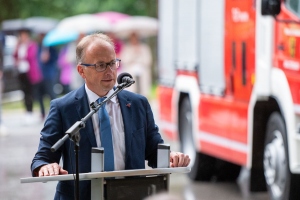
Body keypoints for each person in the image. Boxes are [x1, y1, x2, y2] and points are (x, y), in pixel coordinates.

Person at [31, 32, 190, 200]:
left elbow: (153, 149)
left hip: (130, 194)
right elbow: (43, 157)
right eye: (100, 65)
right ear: (81, 70)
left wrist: (171, 157)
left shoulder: (138, 104)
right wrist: (45, 166)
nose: (109, 71)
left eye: (112, 63)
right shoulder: (64, 108)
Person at [13, 29, 45, 122]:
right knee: (24, 92)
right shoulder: (19, 45)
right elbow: (14, 55)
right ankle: (27, 112)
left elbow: (30, 56)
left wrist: (21, 58)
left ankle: (34, 112)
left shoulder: (31, 44)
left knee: (31, 93)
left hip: (30, 72)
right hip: (21, 71)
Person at [120, 32, 153, 97]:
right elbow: (124, 60)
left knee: (143, 87)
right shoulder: (127, 48)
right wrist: (133, 55)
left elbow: (148, 60)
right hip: (131, 71)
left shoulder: (144, 47)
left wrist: (139, 54)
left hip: (142, 71)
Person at [37, 33, 58, 100]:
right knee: (40, 94)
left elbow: (55, 58)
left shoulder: (51, 47)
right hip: (41, 74)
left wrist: (49, 57)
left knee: (51, 92)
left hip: (49, 73)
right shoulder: (39, 47)